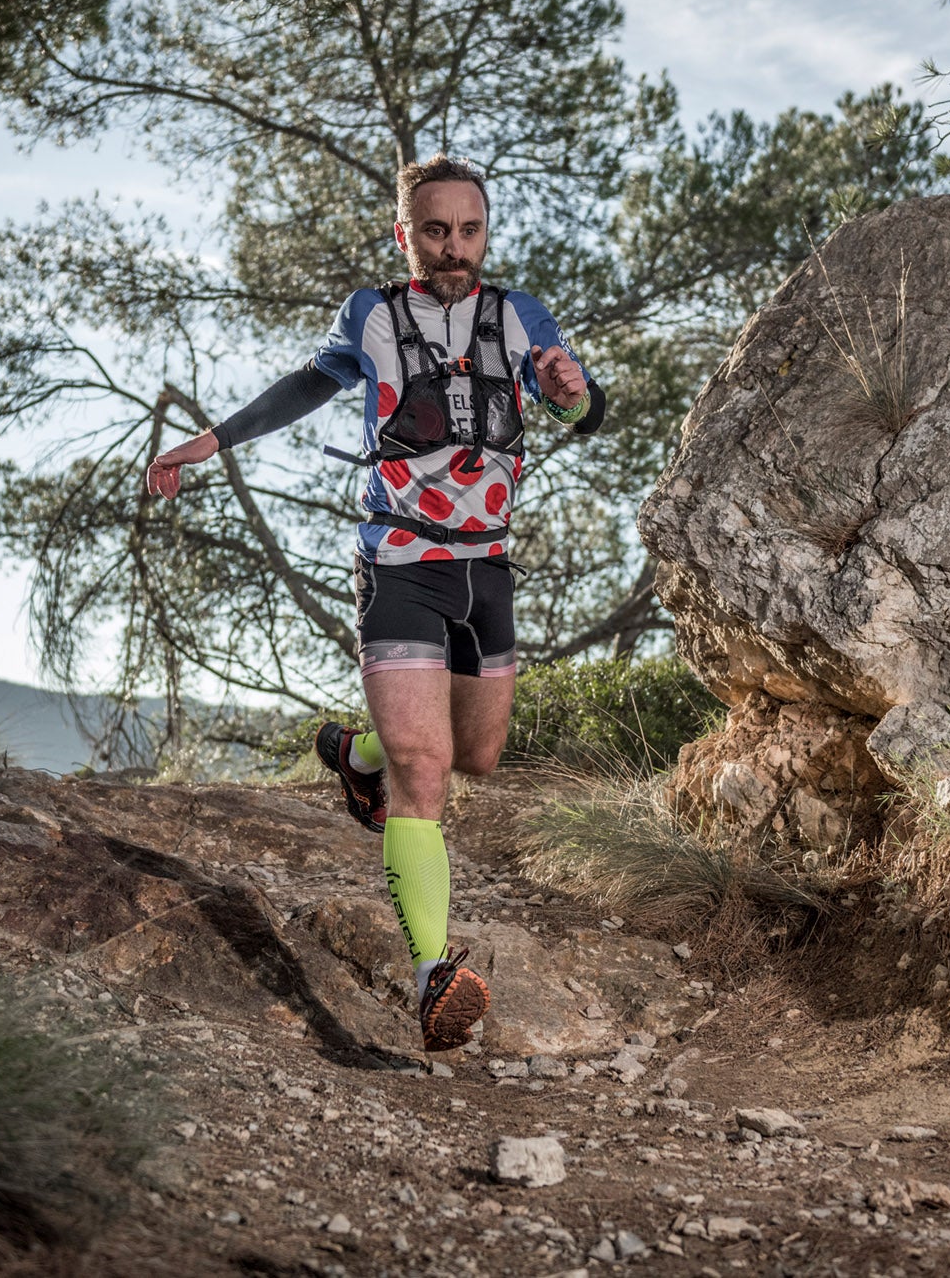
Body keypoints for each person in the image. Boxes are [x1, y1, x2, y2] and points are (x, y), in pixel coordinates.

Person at [144, 154, 606, 1053]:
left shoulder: (520, 316)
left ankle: (357, 757)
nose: (453, 248)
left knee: (474, 754)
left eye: (468, 230)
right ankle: (436, 972)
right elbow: (302, 388)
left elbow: (584, 408)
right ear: (405, 234)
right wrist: (209, 444)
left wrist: (573, 395)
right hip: (397, 559)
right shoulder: (371, 313)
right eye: (434, 230)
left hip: (487, 569)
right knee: (425, 769)